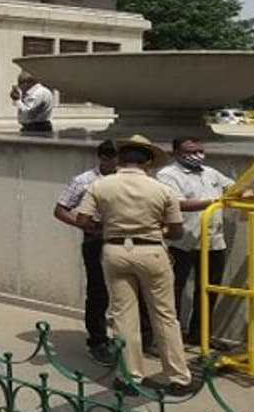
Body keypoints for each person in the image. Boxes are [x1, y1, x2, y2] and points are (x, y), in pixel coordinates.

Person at [74, 135, 195, 396]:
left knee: (123, 316)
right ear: (148, 162)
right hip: (151, 250)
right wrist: (157, 231)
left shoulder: (100, 185)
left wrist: (107, 229)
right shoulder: (161, 189)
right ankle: (178, 377)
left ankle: (129, 376)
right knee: (164, 315)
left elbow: (82, 219)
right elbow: (176, 231)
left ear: (119, 158)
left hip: (115, 250)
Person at [53, 140, 153, 365]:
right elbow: (61, 210)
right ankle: (97, 341)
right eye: (119, 159)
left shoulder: (132, 179)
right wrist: (88, 227)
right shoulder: (85, 181)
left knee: (137, 288)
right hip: (97, 239)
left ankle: (143, 338)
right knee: (98, 291)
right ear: (104, 158)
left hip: (129, 237)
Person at [157, 137, 234, 346]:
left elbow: (233, 188)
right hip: (183, 241)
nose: (197, 156)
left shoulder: (211, 173)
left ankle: (200, 336)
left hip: (213, 241)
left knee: (208, 290)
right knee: (174, 290)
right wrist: (215, 202)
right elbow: (177, 204)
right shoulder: (167, 175)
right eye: (190, 152)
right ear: (176, 153)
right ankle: (169, 339)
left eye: (200, 151)